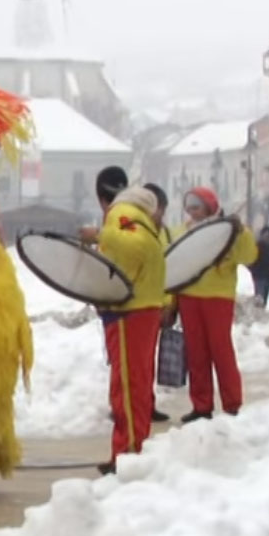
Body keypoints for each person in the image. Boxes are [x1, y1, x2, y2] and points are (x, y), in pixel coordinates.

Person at [93, 186, 165, 474]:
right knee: (139, 381)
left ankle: (127, 452)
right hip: (144, 307)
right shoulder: (144, 221)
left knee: (126, 384)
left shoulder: (121, 214)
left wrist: (98, 235)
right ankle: (134, 445)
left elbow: (133, 248)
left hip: (128, 310)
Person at [174, 187, 257, 422]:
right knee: (196, 353)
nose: (192, 213)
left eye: (196, 207)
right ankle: (201, 405)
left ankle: (232, 403)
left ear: (209, 206)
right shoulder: (183, 231)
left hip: (218, 297)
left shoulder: (230, 230)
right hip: (189, 295)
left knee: (221, 350)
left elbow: (249, 257)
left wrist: (241, 234)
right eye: (189, 208)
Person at [142, 182, 173, 423]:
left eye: (161, 209)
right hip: (135, 305)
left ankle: (147, 403)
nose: (158, 214)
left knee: (148, 361)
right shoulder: (133, 231)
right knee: (135, 363)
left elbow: (172, 270)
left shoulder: (167, 235)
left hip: (157, 304)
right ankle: (134, 405)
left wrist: (169, 303)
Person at [249, 226, 269, 308]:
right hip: (259, 275)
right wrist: (253, 270)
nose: (268, 237)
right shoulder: (257, 246)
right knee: (259, 297)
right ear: (262, 235)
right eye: (266, 235)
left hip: (268, 276)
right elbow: (251, 260)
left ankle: (262, 312)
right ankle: (258, 313)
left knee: (264, 298)